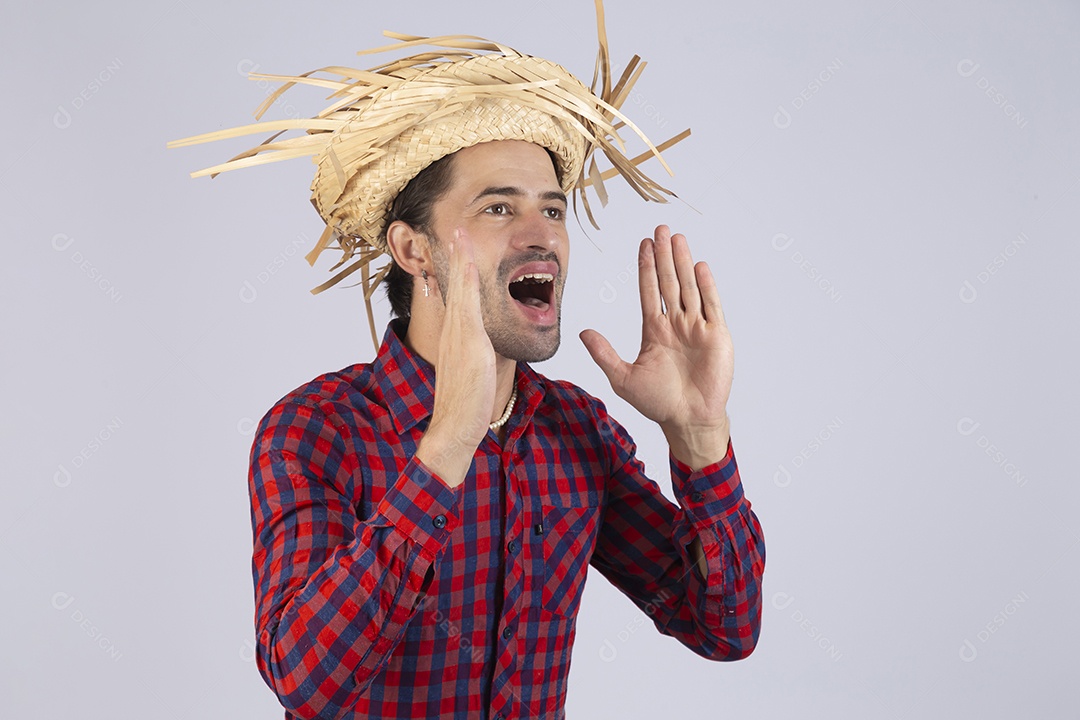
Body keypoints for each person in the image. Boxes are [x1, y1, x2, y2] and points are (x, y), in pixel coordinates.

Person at [171, 4, 764, 718]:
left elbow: (724, 628)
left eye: (552, 210)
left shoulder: (577, 431)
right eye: (498, 208)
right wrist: (447, 444)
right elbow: (303, 680)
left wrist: (699, 436)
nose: (542, 235)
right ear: (413, 249)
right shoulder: (315, 430)